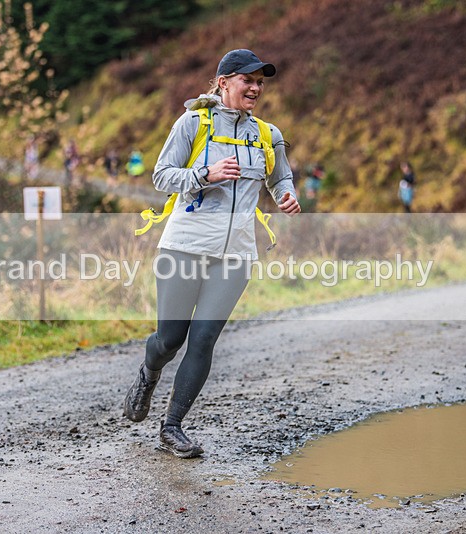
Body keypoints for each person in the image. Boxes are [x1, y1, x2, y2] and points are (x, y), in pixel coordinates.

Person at [122, 49, 301, 458]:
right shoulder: (193, 123)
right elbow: (162, 175)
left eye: (260, 82)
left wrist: (287, 195)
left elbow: (281, 177)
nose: (255, 88)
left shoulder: (267, 134)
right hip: (185, 245)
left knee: (203, 339)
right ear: (223, 82)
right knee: (171, 338)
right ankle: (149, 373)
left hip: (236, 253)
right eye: (247, 80)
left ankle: (172, 428)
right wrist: (206, 174)